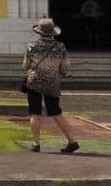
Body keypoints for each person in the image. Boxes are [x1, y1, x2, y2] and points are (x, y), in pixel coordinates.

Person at [22, 17, 84, 153]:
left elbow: (25, 66)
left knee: (35, 113)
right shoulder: (60, 47)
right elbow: (65, 69)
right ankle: (72, 141)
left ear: (39, 32)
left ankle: (36, 143)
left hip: (34, 82)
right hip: (52, 83)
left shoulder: (32, 46)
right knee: (56, 112)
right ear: (52, 32)